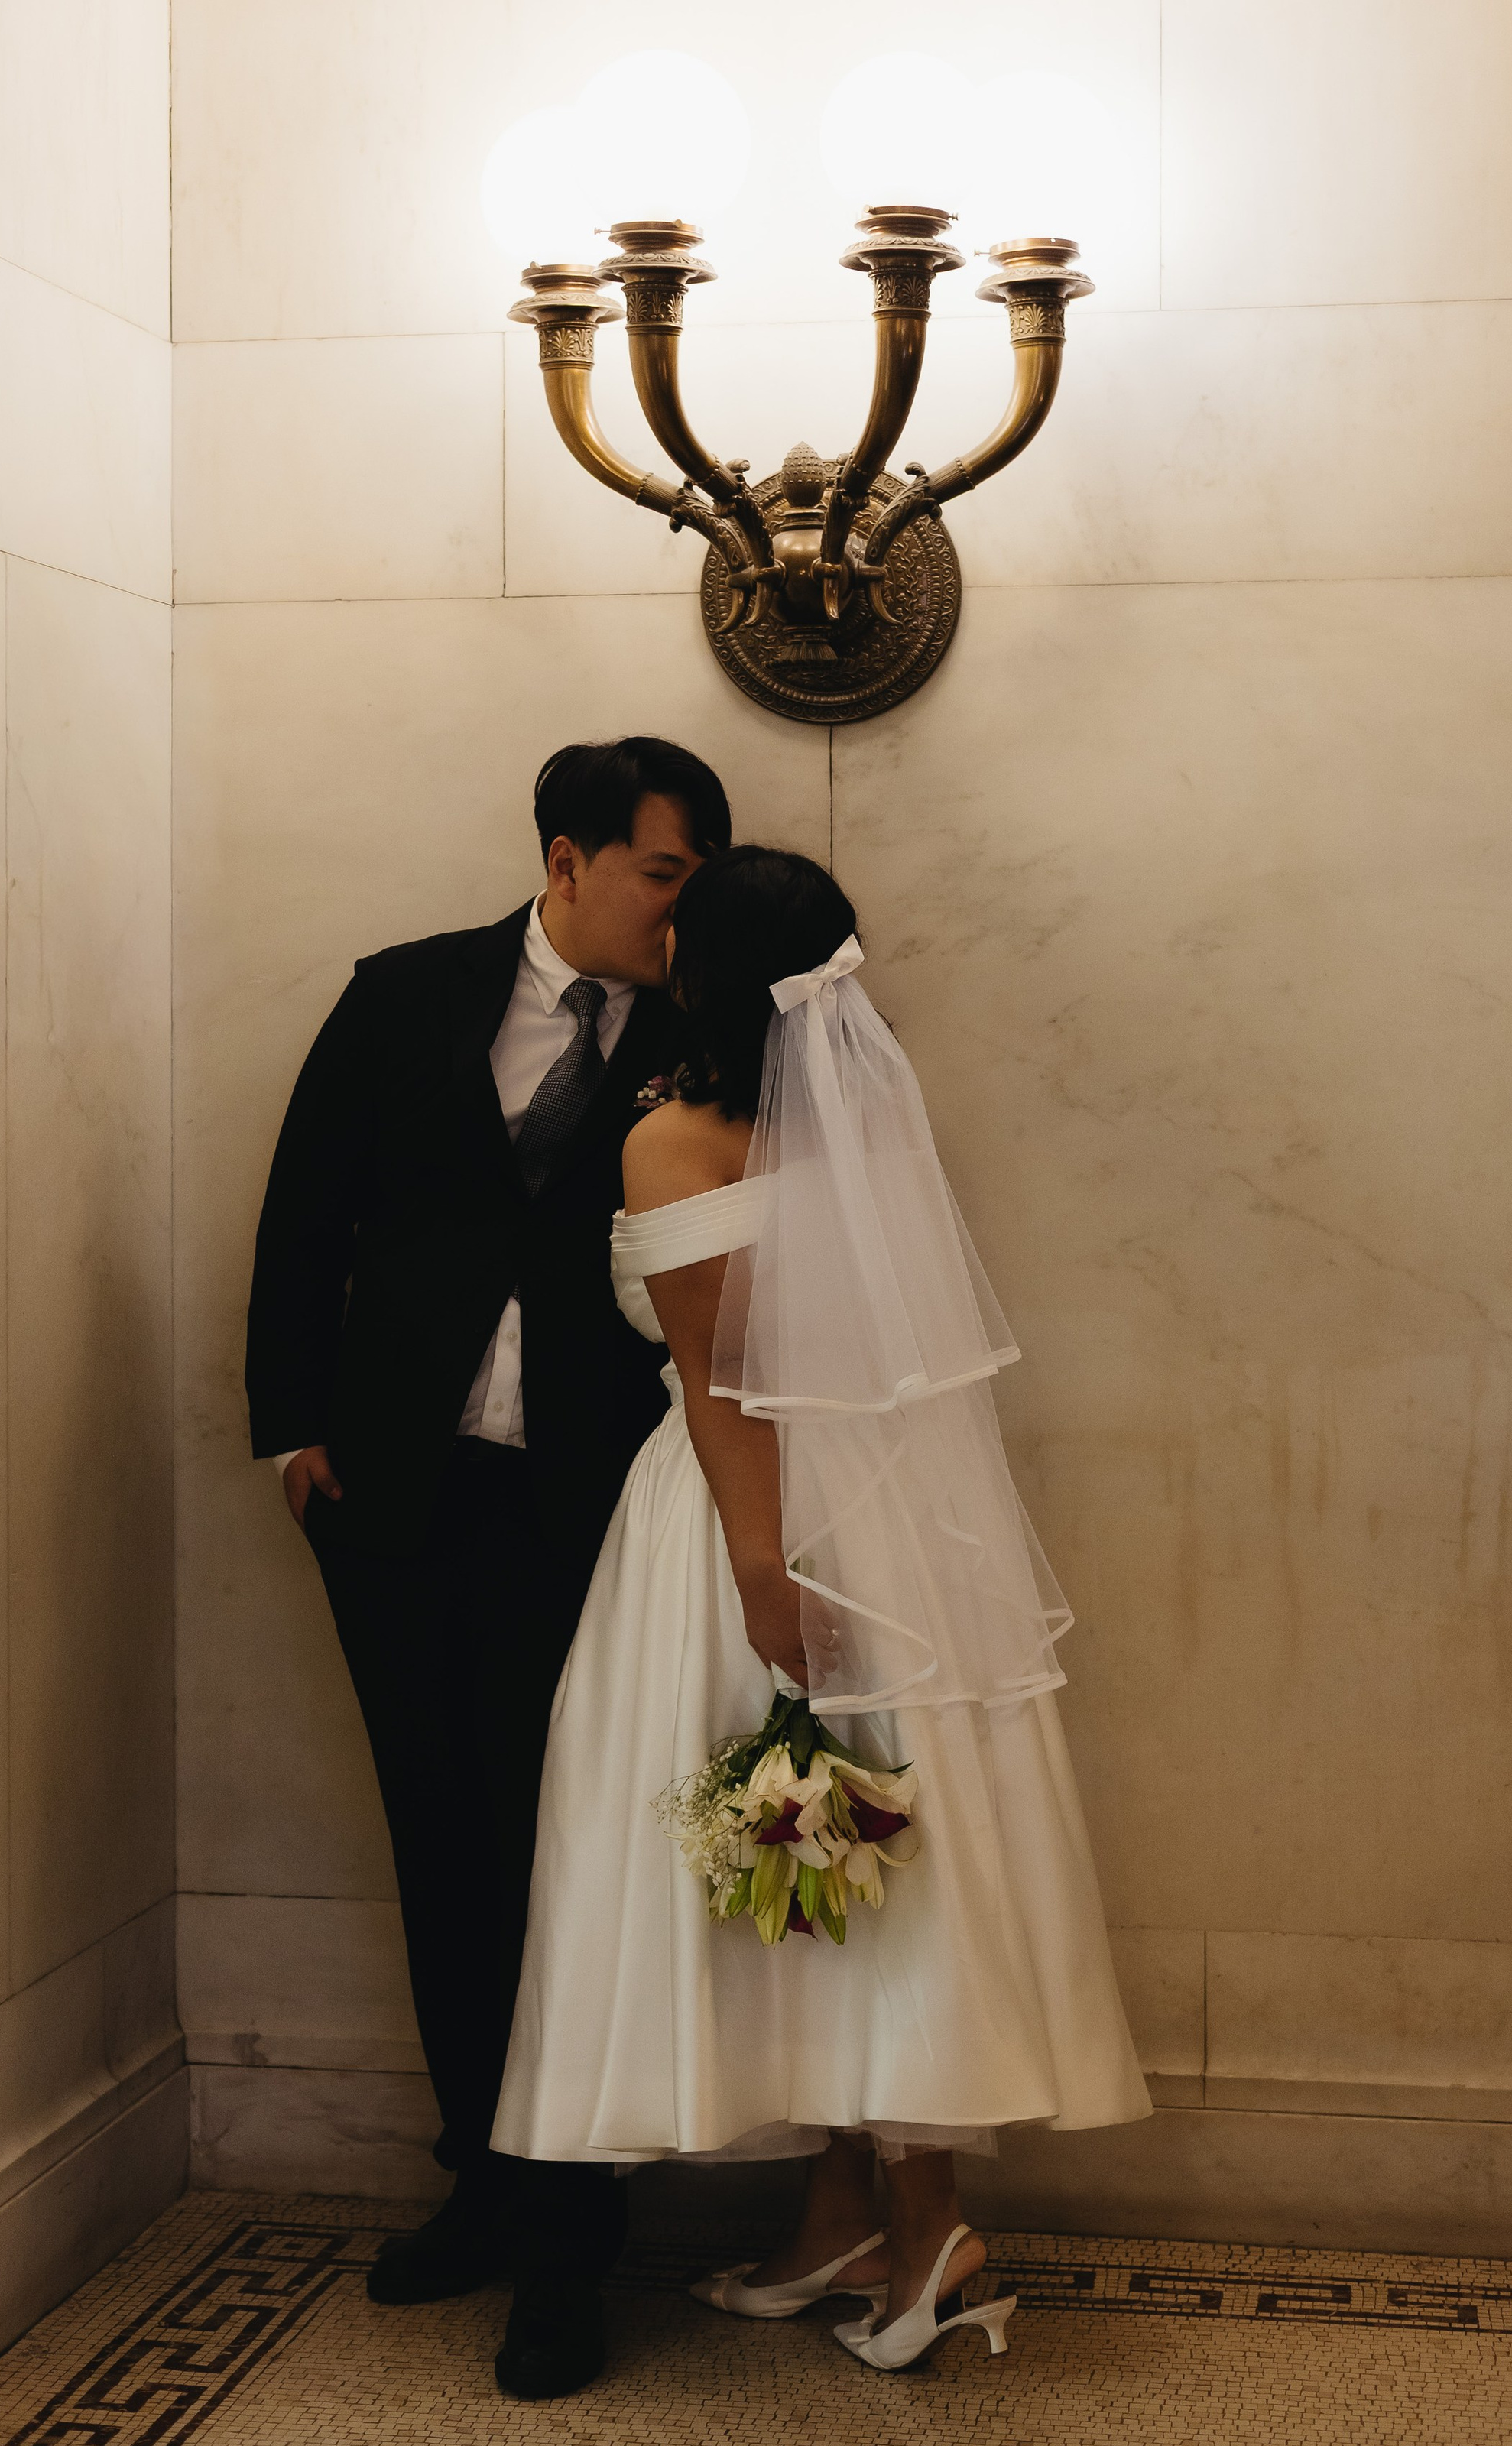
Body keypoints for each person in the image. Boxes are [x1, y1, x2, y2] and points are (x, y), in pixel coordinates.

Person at [492, 845, 1151, 2373]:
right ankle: (841, 2215)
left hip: (758, 1519)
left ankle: (929, 2237)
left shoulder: (674, 1136)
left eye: (680, 917)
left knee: (828, 1853)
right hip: (896, 1520)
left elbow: (725, 1381)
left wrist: (754, 1569)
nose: (656, 925)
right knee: (868, 1852)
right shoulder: (862, 1119)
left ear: (711, 965)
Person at [244, 737, 732, 2400]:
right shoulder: (405, 993)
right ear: (567, 859)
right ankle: (477, 2171)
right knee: (437, 1831)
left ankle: (563, 2249)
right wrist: (290, 1429)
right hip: (390, 1489)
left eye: (695, 887)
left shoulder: (705, 1032)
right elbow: (307, 1212)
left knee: (565, 1861)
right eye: (662, 875)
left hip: (589, 1508)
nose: (680, 914)